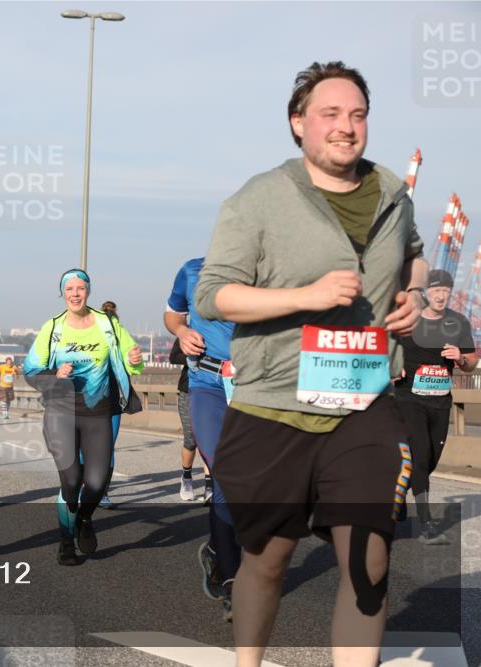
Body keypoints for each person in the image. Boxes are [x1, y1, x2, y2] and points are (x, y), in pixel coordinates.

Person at [195, 62, 428, 666]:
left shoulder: (393, 193)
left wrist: (416, 293)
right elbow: (214, 295)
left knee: (369, 561)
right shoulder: (259, 198)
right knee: (267, 560)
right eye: (330, 114)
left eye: (357, 114)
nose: (346, 126)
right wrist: (305, 296)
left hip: (365, 404)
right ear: (299, 123)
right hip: (274, 406)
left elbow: (414, 254)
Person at [24, 269, 143, 565]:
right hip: (60, 412)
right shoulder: (53, 327)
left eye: (80, 288)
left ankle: (85, 519)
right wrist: (55, 374)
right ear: (62, 293)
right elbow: (31, 370)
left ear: (88, 291)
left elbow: (130, 358)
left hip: (98, 413)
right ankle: (66, 542)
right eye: (69, 289)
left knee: (98, 482)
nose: (75, 294)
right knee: (72, 479)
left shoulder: (108, 324)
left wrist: (134, 361)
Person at [165, 257, 239, 621]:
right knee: (224, 472)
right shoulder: (193, 270)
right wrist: (181, 331)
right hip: (208, 383)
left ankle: (215, 549)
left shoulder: (276, 270)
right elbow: (172, 314)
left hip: (257, 386)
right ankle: (233, 580)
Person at [395, 269, 477, 544]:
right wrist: (392, 366)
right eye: (435, 290)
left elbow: (471, 362)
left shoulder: (458, 322)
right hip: (409, 398)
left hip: (440, 401)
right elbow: (385, 346)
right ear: (425, 292)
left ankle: (399, 492)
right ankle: (426, 523)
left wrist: (460, 358)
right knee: (420, 454)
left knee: (430, 459)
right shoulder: (408, 320)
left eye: (445, 290)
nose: (441, 295)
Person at [169, 341, 212, 503]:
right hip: (188, 390)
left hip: (212, 390)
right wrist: (193, 357)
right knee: (191, 440)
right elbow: (173, 357)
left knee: (209, 440)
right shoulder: (189, 333)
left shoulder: (220, 333)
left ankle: (209, 486)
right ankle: (186, 477)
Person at [98, 300, 123, 510]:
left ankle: (102, 492)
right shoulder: (88, 345)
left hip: (113, 401)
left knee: (108, 447)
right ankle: (85, 486)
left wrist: (134, 361)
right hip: (88, 402)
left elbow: (133, 367)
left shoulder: (120, 344)